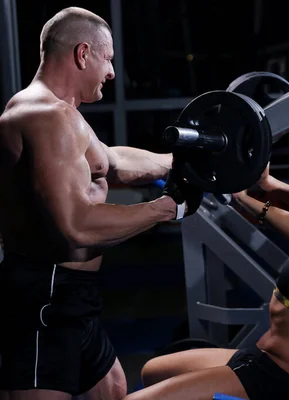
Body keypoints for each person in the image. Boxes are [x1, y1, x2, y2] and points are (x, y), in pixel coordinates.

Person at [0, 7, 202, 400]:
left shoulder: (64, 115)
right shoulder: (45, 116)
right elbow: (75, 224)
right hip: (45, 294)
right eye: (108, 59)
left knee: (112, 390)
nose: (111, 72)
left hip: (76, 293)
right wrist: (168, 207)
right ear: (83, 53)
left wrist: (182, 163)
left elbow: (112, 161)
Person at [122, 152, 289, 400]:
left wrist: (243, 199)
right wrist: (268, 183)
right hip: (254, 357)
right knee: (151, 371)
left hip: (269, 381)